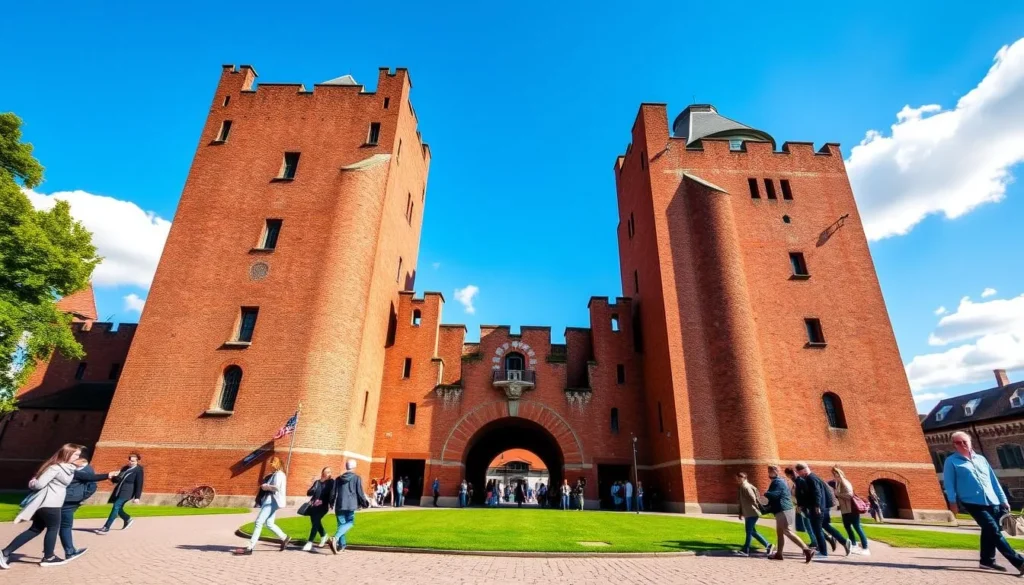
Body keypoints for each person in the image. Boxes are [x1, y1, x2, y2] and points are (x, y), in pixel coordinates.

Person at [944, 430, 1024, 574]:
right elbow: (949, 484)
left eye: (964, 441)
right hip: (972, 502)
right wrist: (952, 503)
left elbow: (993, 481)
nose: (962, 444)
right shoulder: (951, 461)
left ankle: (987, 561)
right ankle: (1019, 562)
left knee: (989, 531)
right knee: (993, 530)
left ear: (970, 442)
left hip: (993, 500)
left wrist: (1003, 500)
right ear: (954, 445)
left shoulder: (981, 459)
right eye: (958, 443)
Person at [0, 443, 84, 569]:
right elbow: (39, 485)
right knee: (53, 528)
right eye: (76, 454)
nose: (78, 457)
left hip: (51, 503)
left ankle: (5, 552)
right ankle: (49, 557)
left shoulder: (65, 468)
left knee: (35, 530)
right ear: (67, 454)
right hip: (50, 504)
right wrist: (32, 483)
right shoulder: (55, 468)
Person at [60, 456, 116, 562]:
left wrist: (82, 497)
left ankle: (57, 552)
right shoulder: (69, 469)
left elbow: (92, 484)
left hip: (68, 500)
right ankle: (63, 552)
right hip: (66, 500)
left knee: (52, 527)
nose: (73, 459)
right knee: (60, 527)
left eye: (76, 456)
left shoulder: (84, 470)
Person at [234, 456, 290, 555]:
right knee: (269, 523)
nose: (271, 464)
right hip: (271, 501)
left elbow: (276, 487)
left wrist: (265, 486)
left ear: (277, 464)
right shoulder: (276, 474)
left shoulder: (279, 475)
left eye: (273, 462)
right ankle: (284, 537)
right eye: (271, 462)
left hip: (271, 501)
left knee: (259, 522)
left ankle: (250, 547)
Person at [795, 462, 851, 557]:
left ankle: (823, 552)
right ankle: (844, 541)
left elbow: (817, 493)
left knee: (817, 530)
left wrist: (817, 506)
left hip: (817, 508)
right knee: (825, 526)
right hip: (822, 507)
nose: (798, 474)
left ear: (803, 470)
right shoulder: (813, 477)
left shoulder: (810, 478)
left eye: (798, 472)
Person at [763, 466, 814, 562]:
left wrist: (766, 493)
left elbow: (775, 495)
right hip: (783, 510)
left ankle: (806, 549)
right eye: (768, 471)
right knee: (780, 533)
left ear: (776, 471)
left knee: (787, 531)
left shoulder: (778, 482)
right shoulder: (780, 481)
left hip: (784, 510)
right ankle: (779, 554)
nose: (769, 473)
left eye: (771, 471)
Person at [329, 459, 370, 553]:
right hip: (351, 504)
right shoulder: (357, 478)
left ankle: (342, 545)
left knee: (341, 525)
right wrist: (364, 503)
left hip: (340, 504)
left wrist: (331, 502)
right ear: (354, 467)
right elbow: (360, 492)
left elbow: (333, 492)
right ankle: (335, 538)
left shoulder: (338, 478)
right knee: (350, 523)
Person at [99, 452, 144, 533]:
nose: (131, 462)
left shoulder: (138, 470)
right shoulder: (125, 468)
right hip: (119, 490)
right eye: (130, 460)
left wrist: (137, 497)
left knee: (116, 506)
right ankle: (127, 518)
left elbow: (139, 484)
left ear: (137, 461)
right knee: (118, 508)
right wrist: (113, 477)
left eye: (133, 461)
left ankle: (106, 527)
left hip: (128, 491)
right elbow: (118, 479)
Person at [832, 466, 870, 556]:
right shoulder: (838, 483)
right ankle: (853, 544)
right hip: (845, 509)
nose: (835, 477)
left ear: (841, 474)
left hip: (851, 509)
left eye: (837, 475)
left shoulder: (845, 482)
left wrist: (838, 494)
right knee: (847, 527)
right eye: (834, 475)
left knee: (857, 527)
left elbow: (849, 494)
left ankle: (865, 548)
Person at [735, 472, 774, 557]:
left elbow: (753, 498)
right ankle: (768, 545)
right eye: (737, 478)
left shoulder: (746, 487)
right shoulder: (743, 486)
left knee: (749, 531)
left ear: (744, 478)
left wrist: (757, 508)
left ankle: (746, 550)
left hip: (752, 512)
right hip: (749, 512)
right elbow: (742, 501)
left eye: (739, 478)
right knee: (752, 531)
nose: (738, 479)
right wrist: (741, 512)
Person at [784, 467, 818, 550]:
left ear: (789, 474)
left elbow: (805, 495)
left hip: (805, 507)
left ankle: (817, 542)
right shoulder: (796, 482)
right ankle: (814, 541)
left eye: (787, 475)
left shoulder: (800, 481)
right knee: (807, 525)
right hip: (801, 506)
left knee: (809, 525)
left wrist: (802, 505)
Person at [303, 467, 334, 551]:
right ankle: (324, 536)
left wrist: (331, 503)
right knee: (316, 523)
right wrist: (312, 490)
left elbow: (332, 493)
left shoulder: (331, 482)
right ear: (323, 473)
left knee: (316, 522)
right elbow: (309, 493)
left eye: (330, 472)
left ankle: (309, 542)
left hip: (323, 506)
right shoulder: (317, 482)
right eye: (327, 472)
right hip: (314, 506)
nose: (328, 473)